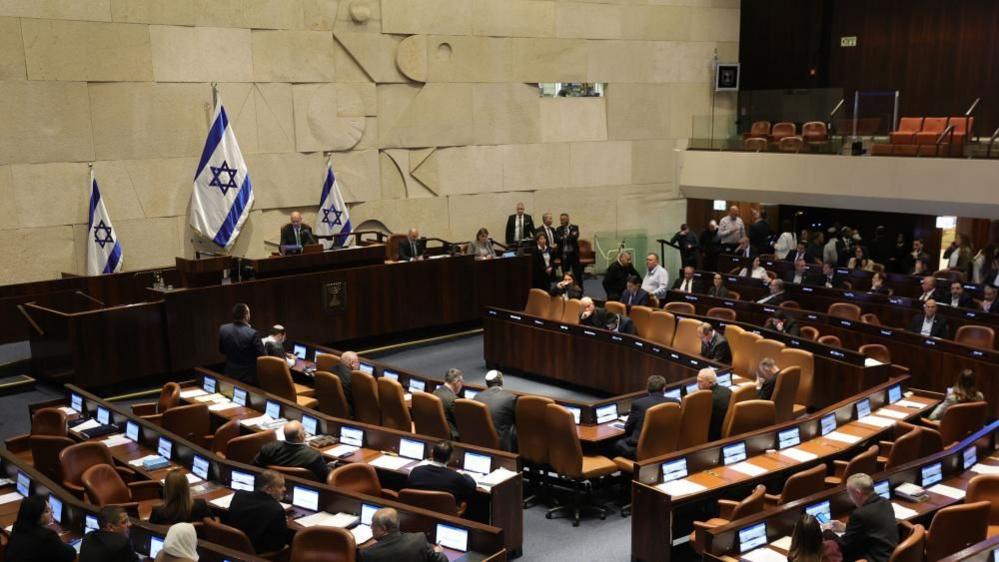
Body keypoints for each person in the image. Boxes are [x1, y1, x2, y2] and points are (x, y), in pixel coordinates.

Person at [822, 473, 899, 562]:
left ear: (858, 493)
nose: (850, 497)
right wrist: (845, 527)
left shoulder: (860, 514)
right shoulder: (885, 502)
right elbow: (869, 528)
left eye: (850, 494)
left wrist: (827, 531)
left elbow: (844, 545)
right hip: (889, 553)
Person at [223, 470, 293, 554]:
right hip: (253, 552)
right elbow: (278, 545)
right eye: (281, 486)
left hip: (231, 544)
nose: (284, 489)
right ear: (268, 489)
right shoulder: (276, 509)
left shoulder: (239, 494)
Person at [613, 375, 678, 459]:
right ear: (664, 388)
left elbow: (628, 427)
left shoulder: (639, 403)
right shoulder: (674, 402)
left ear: (647, 388)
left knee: (616, 444)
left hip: (642, 450)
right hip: (665, 447)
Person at [5, 495, 76, 562]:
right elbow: (71, 554)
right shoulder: (47, 536)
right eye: (46, 511)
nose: (52, 512)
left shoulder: (17, 526)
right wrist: (59, 542)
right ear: (36, 515)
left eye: (51, 509)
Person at [360, 508, 447, 562]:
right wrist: (438, 552)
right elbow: (441, 560)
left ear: (383, 528)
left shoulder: (368, 554)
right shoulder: (418, 539)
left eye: (373, 524)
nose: (371, 527)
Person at [253, 420, 331, 481]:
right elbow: (326, 477)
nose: (306, 433)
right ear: (300, 437)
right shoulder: (314, 456)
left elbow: (254, 466)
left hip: (274, 483)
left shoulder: (268, 448)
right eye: (304, 431)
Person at [406, 441, 476, 505]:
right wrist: (466, 475)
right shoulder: (455, 477)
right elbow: (471, 486)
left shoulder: (416, 471)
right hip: (445, 515)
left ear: (432, 453)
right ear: (451, 457)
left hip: (418, 511)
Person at [218, 303, 263, 385]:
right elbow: (262, 357)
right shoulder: (252, 333)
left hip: (229, 374)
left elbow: (222, 350)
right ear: (246, 315)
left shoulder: (223, 329)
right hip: (248, 378)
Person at [474, 371, 518, 451]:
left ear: (487, 383)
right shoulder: (510, 398)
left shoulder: (477, 397)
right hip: (501, 446)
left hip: (479, 442)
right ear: (501, 382)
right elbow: (518, 421)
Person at [697, 368, 732, 441]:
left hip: (714, 436)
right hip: (728, 429)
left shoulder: (708, 400)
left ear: (710, 382)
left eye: (700, 382)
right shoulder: (727, 390)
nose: (697, 385)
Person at [434, 369, 463, 439]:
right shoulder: (454, 400)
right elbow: (461, 422)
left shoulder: (435, 392)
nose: (462, 385)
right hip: (452, 436)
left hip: (436, 431)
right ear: (457, 382)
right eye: (462, 382)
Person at [556, 213, 582, 282]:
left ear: (567, 219)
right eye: (560, 220)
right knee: (565, 272)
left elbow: (574, 237)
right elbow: (558, 239)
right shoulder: (559, 229)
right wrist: (567, 237)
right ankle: (565, 289)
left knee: (577, 273)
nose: (561, 221)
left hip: (573, 254)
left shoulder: (575, 227)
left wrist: (564, 237)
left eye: (563, 220)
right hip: (564, 254)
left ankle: (579, 289)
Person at [334, 351, 359, 416]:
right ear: (352, 363)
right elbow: (354, 399)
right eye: (358, 362)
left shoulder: (333, 369)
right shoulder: (350, 378)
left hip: (331, 404)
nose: (359, 364)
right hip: (345, 409)